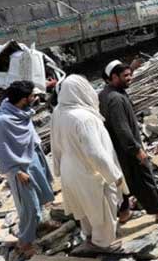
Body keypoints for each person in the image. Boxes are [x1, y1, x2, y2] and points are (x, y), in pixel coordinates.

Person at [51, 75, 127, 253]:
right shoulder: (84, 118)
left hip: (69, 168)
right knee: (102, 208)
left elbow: (55, 144)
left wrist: (57, 168)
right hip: (89, 171)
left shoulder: (58, 112)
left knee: (85, 207)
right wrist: (114, 176)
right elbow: (95, 154)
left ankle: (90, 236)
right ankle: (102, 244)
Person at [0, 81, 58, 257]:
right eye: (32, 96)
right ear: (22, 99)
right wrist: (15, 171)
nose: (35, 98)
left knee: (44, 194)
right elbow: (1, 149)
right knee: (30, 208)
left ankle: (41, 223)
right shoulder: (2, 121)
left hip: (33, 157)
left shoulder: (19, 111)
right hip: (20, 167)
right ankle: (24, 241)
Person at [99, 61, 158, 223]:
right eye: (126, 76)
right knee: (144, 179)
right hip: (127, 149)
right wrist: (137, 150)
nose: (130, 78)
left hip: (115, 148)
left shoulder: (105, 94)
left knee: (121, 181)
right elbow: (122, 128)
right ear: (113, 77)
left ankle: (124, 212)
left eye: (130, 74)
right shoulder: (115, 99)